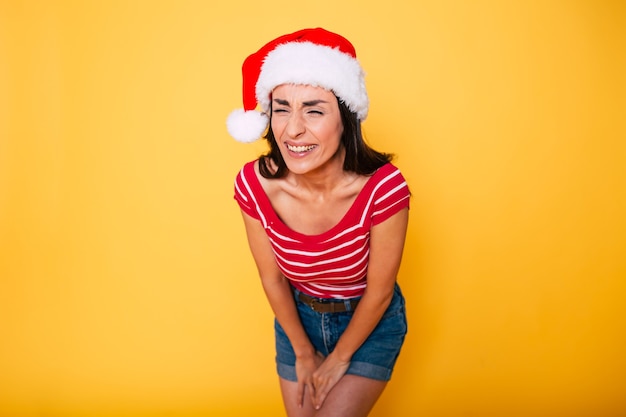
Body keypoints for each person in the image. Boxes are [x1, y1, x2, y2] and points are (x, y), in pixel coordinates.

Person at [227, 28, 410, 417]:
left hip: (369, 323)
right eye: (281, 108)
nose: (293, 129)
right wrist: (303, 350)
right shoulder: (253, 185)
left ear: (346, 117)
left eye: (313, 109)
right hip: (297, 321)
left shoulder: (384, 188)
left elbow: (379, 291)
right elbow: (272, 278)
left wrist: (340, 358)